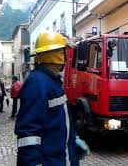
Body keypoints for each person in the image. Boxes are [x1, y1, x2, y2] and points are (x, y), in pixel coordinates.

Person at [15, 31, 89, 166]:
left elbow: (60, 120)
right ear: (57, 55)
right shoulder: (37, 83)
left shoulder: (51, 81)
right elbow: (29, 133)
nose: (67, 56)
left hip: (61, 158)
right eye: (64, 51)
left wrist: (73, 140)